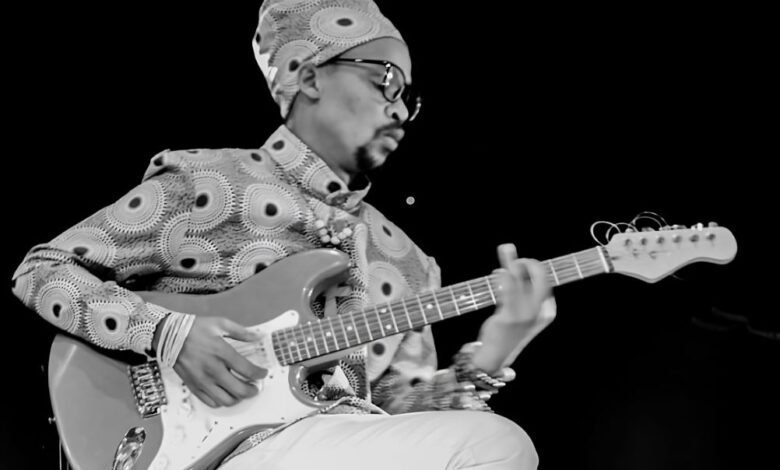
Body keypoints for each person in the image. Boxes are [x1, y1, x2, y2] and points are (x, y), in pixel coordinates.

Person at [11, 0, 556, 468]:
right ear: (312, 76)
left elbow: (401, 419)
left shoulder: (410, 261)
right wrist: (168, 333)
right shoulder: (209, 181)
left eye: (408, 97)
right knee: (498, 444)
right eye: (387, 79)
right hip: (205, 447)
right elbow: (42, 271)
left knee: (483, 447)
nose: (399, 110)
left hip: (338, 446)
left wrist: (497, 347)